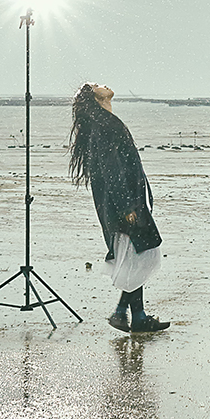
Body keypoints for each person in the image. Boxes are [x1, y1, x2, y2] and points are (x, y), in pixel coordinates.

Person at [68, 83, 167, 333]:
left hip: (123, 200)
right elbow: (112, 169)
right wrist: (125, 206)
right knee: (138, 254)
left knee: (133, 255)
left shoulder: (104, 123)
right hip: (122, 203)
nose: (104, 84)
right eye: (97, 85)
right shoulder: (104, 126)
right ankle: (130, 314)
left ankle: (128, 314)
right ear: (95, 97)